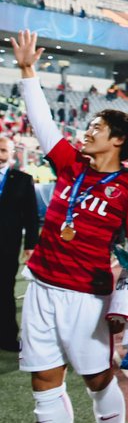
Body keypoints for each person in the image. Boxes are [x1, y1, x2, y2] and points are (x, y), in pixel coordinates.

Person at [11, 30, 128, 423]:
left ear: (117, 141)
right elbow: (42, 121)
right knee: (44, 378)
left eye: (95, 128)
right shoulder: (70, 165)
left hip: (85, 295)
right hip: (42, 288)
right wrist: (29, 71)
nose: (85, 133)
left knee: (96, 378)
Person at [0, 135, 40, 352]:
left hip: (8, 244)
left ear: (12, 153)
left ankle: (6, 336)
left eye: (4, 151)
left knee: (5, 289)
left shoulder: (23, 179)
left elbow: (31, 216)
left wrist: (31, 245)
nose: (0, 155)